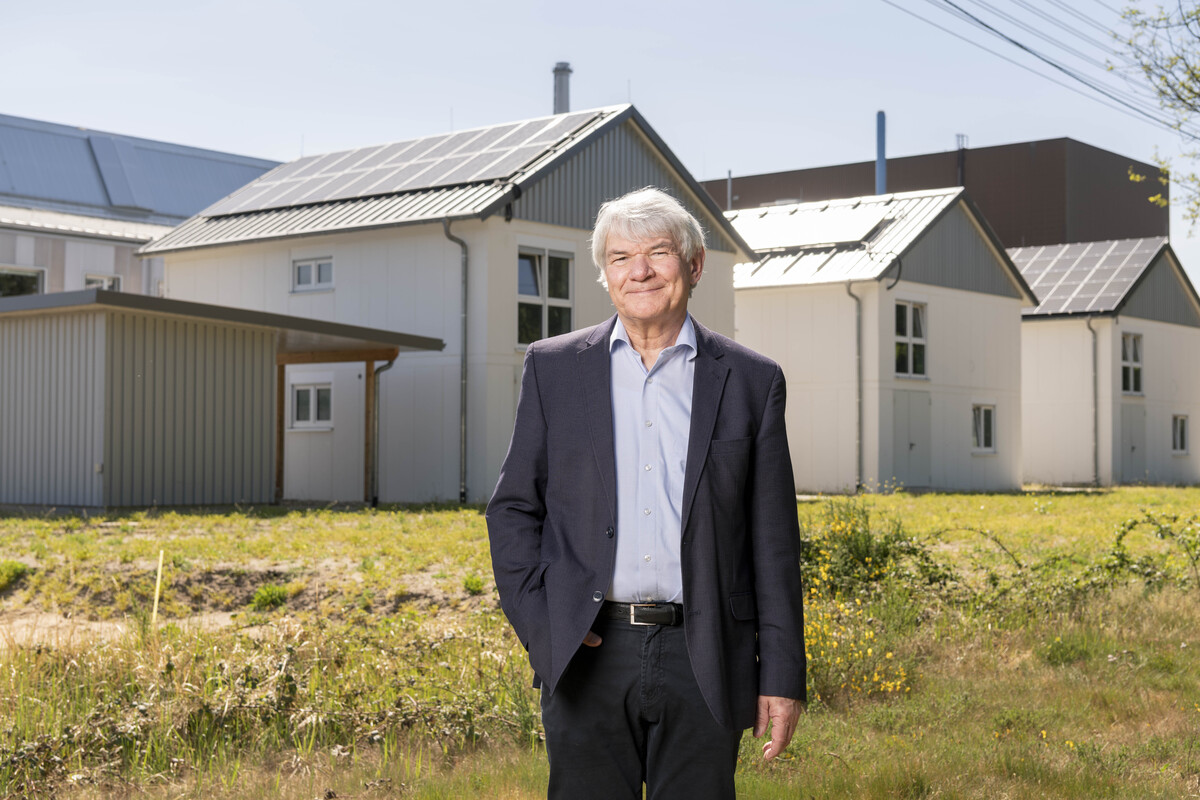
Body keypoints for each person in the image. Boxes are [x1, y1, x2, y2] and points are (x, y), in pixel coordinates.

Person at [486, 187, 806, 799]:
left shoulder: (751, 381)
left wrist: (783, 675)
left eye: (658, 252)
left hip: (706, 651)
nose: (639, 271)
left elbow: (774, 544)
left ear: (694, 264)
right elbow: (513, 510)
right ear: (605, 274)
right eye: (620, 257)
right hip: (589, 650)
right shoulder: (553, 368)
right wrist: (545, 622)